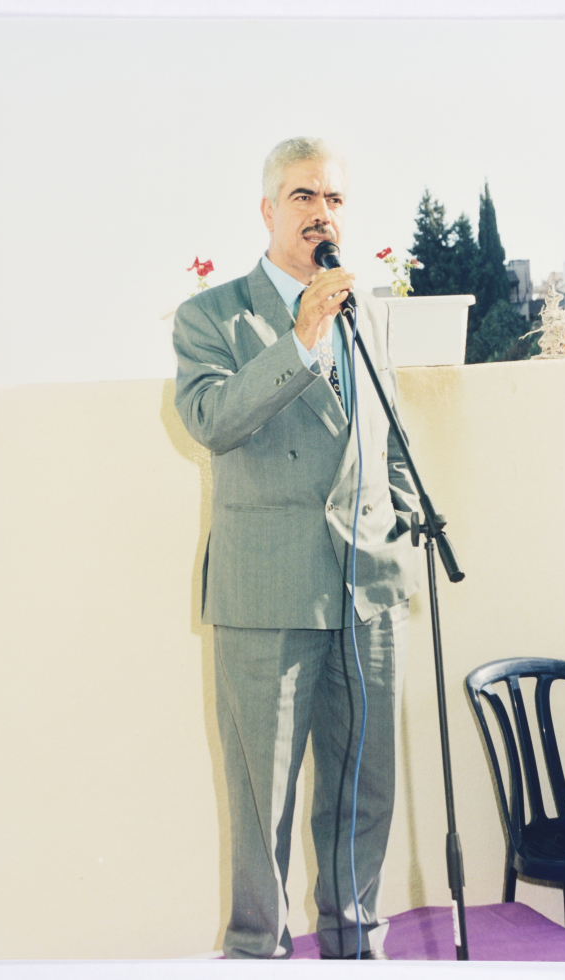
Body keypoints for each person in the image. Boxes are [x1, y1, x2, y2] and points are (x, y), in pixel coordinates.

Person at [173, 137, 421, 960]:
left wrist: (403, 520)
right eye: (304, 196)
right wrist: (302, 340)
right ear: (269, 210)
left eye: (335, 199)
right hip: (266, 597)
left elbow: (386, 437)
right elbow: (210, 421)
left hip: (368, 590)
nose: (322, 213)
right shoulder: (212, 315)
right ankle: (258, 955)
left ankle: (357, 949)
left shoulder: (366, 312)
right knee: (261, 806)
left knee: (364, 795)